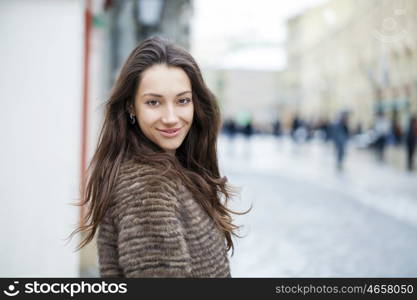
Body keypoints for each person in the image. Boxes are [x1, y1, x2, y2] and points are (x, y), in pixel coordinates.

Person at [70, 37, 249, 277]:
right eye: (154, 102)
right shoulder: (148, 188)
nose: (171, 117)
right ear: (131, 107)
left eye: (182, 100)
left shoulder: (174, 169)